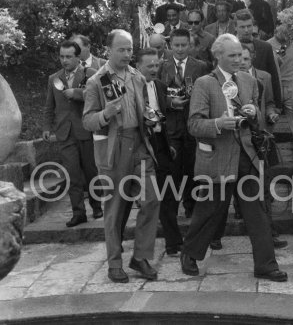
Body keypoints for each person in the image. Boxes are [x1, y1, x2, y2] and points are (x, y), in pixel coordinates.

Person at [179, 34, 288, 282]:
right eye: (232, 55)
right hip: (218, 156)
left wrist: (253, 115)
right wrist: (218, 123)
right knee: (210, 210)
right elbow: (194, 124)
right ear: (218, 56)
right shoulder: (205, 84)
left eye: (240, 54)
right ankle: (190, 252)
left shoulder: (250, 82)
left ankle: (266, 265)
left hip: (246, 155)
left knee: (257, 212)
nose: (239, 59)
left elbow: (258, 122)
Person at [83, 29, 160, 283]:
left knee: (151, 199)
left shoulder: (136, 76)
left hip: (140, 143)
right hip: (114, 149)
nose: (128, 54)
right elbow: (87, 121)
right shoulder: (97, 81)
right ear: (109, 50)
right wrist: (105, 114)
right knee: (114, 209)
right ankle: (114, 263)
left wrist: (148, 116)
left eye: (130, 49)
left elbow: (141, 108)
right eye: (122, 49)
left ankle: (140, 257)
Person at [43, 40, 103, 227]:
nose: (64, 60)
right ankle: (78, 213)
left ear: (78, 57)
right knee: (72, 174)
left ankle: (96, 205)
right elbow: (49, 106)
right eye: (62, 56)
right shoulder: (54, 78)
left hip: (85, 129)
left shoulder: (91, 74)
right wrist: (46, 127)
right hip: (64, 133)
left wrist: (76, 93)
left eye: (69, 56)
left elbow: (101, 98)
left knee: (91, 171)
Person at [158, 28, 208, 221]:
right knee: (173, 168)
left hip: (192, 123)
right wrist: (171, 103)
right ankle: (170, 209)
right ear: (170, 46)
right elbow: (157, 95)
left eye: (183, 45)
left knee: (192, 166)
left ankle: (191, 205)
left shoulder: (201, 66)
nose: (179, 49)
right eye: (176, 45)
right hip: (171, 125)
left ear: (190, 45)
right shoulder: (163, 67)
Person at [134, 48, 179, 255]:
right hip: (142, 146)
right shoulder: (131, 88)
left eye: (156, 65)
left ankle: (173, 242)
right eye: (149, 66)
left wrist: (166, 141)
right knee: (150, 197)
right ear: (138, 67)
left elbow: (162, 115)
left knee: (169, 193)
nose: (154, 69)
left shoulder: (160, 86)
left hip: (160, 143)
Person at [235, 9, 282, 108]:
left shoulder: (265, 47)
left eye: (249, 26)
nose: (246, 30)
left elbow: (274, 77)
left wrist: (277, 106)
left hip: (261, 104)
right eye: (242, 27)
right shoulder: (227, 47)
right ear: (235, 27)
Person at [267, 26, 293, 115]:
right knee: (274, 119)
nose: (288, 34)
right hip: (275, 88)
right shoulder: (267, 45)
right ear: (276, 31)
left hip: (291, 87)